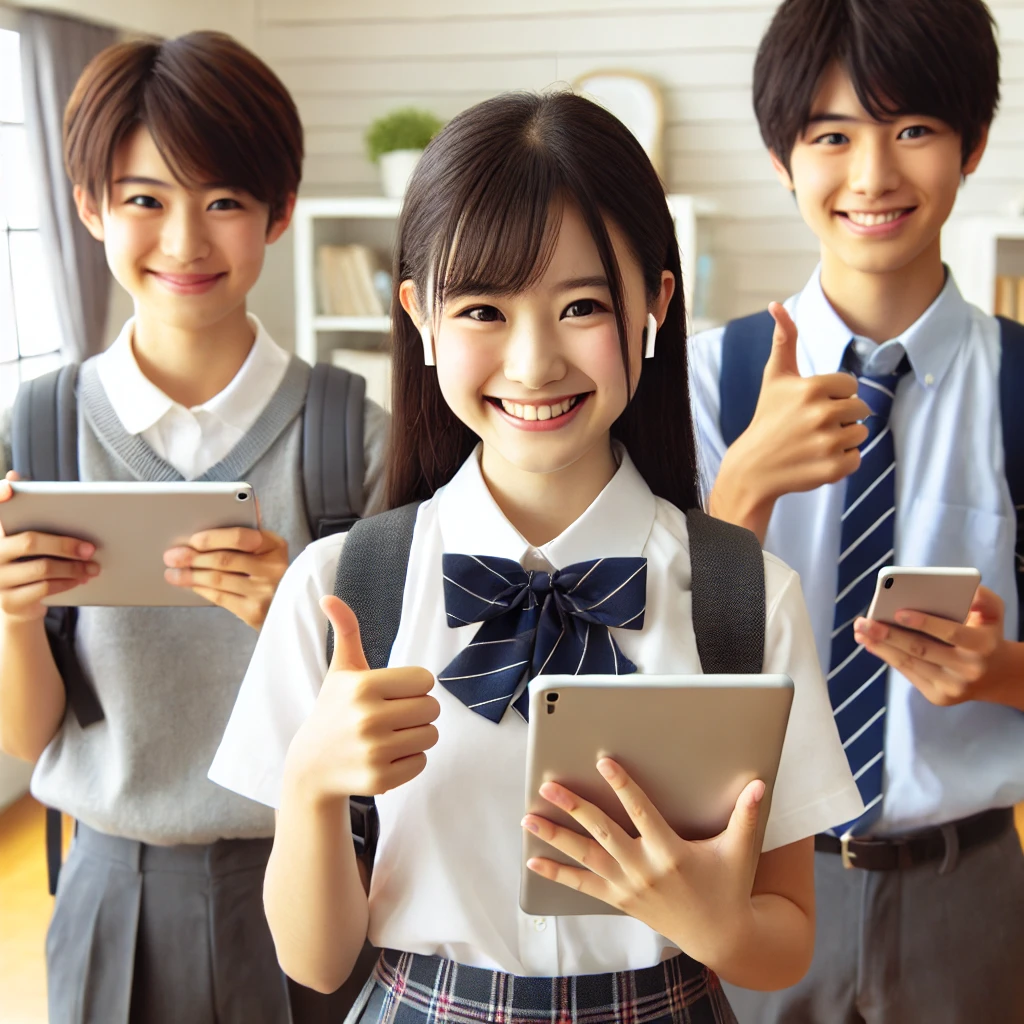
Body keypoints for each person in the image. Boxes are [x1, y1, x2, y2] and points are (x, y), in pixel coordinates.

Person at [208, 91, 863, 1024]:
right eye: (482, 309)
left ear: (656, 304)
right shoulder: (339, 590)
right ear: (421, 320)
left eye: (582, 305)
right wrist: (313, 783)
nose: (533, 362)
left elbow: (784, 944)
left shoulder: (744, 595)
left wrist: (711, 918)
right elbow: (314, 965)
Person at [0, 32, 387, 1024]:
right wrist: (10, 617)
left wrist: (295, 619)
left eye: (222, 200)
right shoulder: (32, 431)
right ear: (89, 207)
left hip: (316, 883)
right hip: (108, 892)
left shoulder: (355, 440)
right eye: (143, 199)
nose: (183, 241)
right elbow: (25, 734)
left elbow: (404, 716)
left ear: (279, 212)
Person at [688, 1, 1024, 1020]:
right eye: (830, 135)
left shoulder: (1018, 389)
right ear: (782, 160)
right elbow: (634, 662)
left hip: (967, 894)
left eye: (911, 128)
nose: (872, 175)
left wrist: (1004, 672)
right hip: (749, 877)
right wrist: (739, 496)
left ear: (969, 147)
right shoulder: (708, 379)